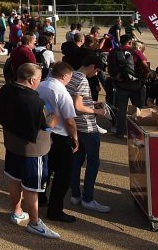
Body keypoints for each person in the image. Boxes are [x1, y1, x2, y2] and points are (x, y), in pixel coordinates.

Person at [0, 63, 59, 239]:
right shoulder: (35, 100)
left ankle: (16, 211)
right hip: (33, 150)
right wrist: (57, 113)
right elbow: (48, 123)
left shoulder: (5, 90)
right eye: (39, 79)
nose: (40, 82)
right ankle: (34, 222)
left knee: (14, 179)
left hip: (12, 144)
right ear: (31, 80)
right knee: (32, 187)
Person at [66, 54, 110, 212]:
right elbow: (78, 105)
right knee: (93, 162)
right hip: (87, 126)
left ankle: (75, 194)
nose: (96, 74)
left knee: (77, 160)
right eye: (96, 70)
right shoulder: (83, 80)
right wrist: (97, 111)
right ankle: (88, 198)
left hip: (74, 125)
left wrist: (91, 102)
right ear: (92, 67)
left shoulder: (70, 75)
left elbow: (74, 101)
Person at [37, 62, 80, 223]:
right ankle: (55, 210)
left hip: (44, 134)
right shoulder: (62, 93)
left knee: (46, 169)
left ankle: (40, 198)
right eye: (69, 77)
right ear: (64, 76)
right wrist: (75, 138)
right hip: (60, 136)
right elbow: (69, 121)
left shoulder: (40, 85)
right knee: (63, 175)